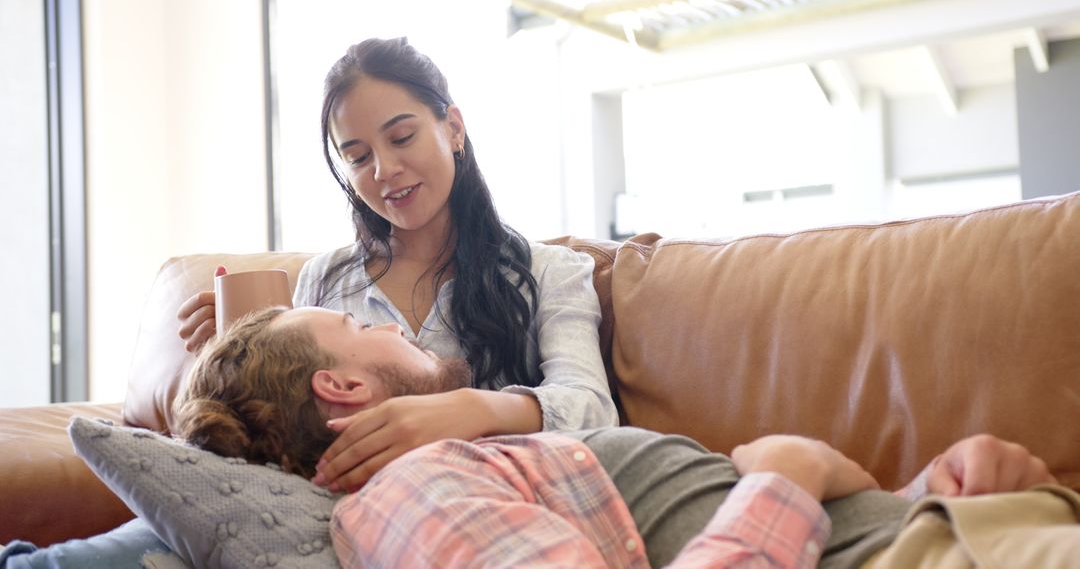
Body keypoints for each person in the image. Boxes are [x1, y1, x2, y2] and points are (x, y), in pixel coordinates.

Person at [174, 305, 1067, 568]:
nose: (387, 321)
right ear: (343, 386)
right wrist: (788, 474)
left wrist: (933, 490)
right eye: (354, 322)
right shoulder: (407, 496)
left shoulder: (471, 461)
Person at [175, 37, 618, 492]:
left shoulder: (549, 272)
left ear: (453, 129)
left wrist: (471, 409)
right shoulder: (325, 280)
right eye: (359, 157)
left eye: (402, 137)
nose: (384, 170)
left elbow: (593, 410)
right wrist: (241, 348)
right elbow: (284, 430)